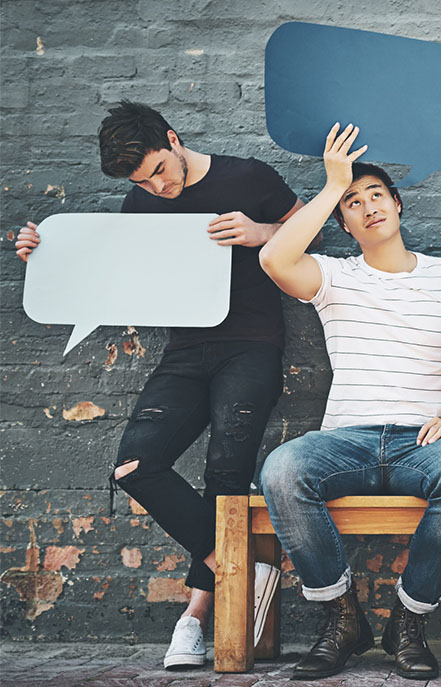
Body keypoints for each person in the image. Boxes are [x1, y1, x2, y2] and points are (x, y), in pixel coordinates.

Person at [16, 101, 303, 670]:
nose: (156, 186)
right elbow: (112, 276)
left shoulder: (247, 177)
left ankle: (196, 617)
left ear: (173, 139)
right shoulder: (138, 202)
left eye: (158, 171)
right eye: (142, 181)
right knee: (134, 465)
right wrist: (45, 253)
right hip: (186, 351)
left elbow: (313, 228)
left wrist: (262, 231)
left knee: (225, 473)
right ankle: (240, 565)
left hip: (252, 345)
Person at [256, 124, 441, 681]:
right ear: (342, 222)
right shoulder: (333, 276)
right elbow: (274, 258)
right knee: (283, 470)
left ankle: (408, 622)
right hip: (346, 440)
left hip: (423, 440)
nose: (366, 207)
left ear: (398, 203)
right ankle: (343, 620)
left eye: (375, 195)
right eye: (352, 203)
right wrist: (332, 183)